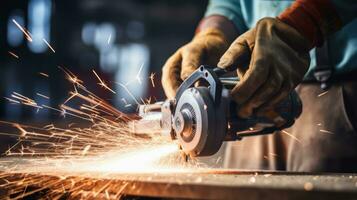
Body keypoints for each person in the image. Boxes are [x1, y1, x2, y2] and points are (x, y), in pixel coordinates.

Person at [161, 0, 357, 172]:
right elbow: (230, 3)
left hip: (333, 100)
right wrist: (213, 32)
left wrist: (302, 23)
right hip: (251, 96)